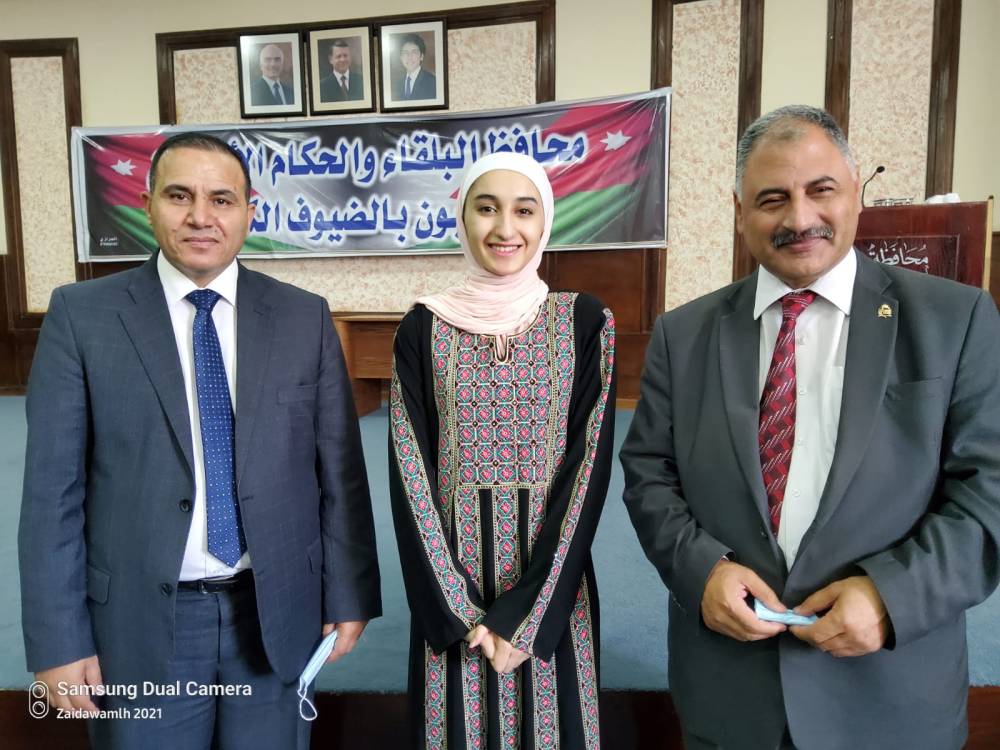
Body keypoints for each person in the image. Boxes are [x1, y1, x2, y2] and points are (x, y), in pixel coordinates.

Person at [620, 104, 1000, 750]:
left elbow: (987, 492)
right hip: (731, 691)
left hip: (889, 693)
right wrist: (701, 571)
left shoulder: (955, 320)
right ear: (739, 211)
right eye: (773, 199)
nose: (799, 219)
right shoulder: (682, 335)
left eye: (820, 190)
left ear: (855, 191)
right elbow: (649, 475)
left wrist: (891, 597)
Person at [19, 132, 382, 749]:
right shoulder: (83, 316)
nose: (200, 217)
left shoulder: (304, 317)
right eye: (180, 195)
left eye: (221, 199)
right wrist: (57, 640)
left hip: (275, 614)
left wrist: (349, 595)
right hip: (139, 622)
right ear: (147, 205)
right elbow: (52, 493)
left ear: (249, 211)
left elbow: (339, 475)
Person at [389, 152, 616, 748]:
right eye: (486, 209)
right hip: (453, 584)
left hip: (553, 584)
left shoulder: (585, 322)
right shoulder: (423, 327)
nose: (505, 228)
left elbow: (587, 471)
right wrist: (458, 611)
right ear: (463, 219)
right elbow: (410, 473)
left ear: (546, 222)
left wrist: (529, 614)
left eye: (524, 210)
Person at [393, 33, 436, 101]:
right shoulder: (397, 84)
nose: (409, 57)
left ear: (421, 56)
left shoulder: (433, 82)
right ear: (401, 57)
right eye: (405, 53)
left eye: (414, 52)